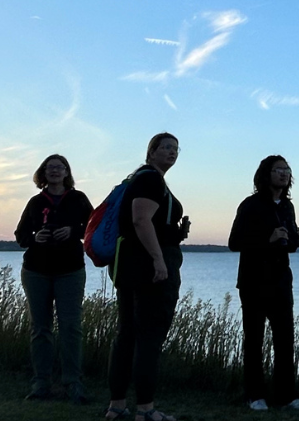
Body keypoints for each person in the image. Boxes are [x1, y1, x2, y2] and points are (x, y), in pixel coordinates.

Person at [107, 133, 191, 421]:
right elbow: (140, 219)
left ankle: (117, 407)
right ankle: (145, 409)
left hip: (131, 266)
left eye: (176, 149)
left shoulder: (144, 179)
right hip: (149, 269)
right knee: (148, 337)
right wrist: (158, 259)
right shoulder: (150, 179)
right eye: (166, 147)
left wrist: (174, 232)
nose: (172, 152)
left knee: (128, 335)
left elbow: (147, 221)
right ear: (151, 151)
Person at [227, 155, 299, 412]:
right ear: (266, 174)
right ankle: (255, 395)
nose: (284, 174)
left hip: (281, 280)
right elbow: (235, 242)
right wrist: (268, 237)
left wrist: (296, 239)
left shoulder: (287, 207)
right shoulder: (250, 205)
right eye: (278, 170)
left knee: (285, 339)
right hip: (253, 281)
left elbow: (289, 246)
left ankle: (286, 395)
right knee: (254, 339)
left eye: (287, 170)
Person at [15, 154, 95, 403]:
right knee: (41, 329)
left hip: (70, 270)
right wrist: (34, 237)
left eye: (60, 167)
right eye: (50, 167)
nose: (55, 171)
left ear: (67, 172)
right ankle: (41, 383)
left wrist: (73, 231)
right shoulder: (35, 202)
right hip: (36, 271)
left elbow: (93, 227)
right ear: (43, 173)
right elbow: (20, 234)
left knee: (71, 327)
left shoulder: (78, 199)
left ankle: (73, 383)